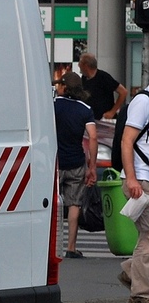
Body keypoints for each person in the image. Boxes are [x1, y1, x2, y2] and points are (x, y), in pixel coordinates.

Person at [53, 71, 96, 259]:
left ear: (64, 86)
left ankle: (50, 248)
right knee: (74, 204)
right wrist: (92, 166)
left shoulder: (53, 105)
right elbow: (93, 137)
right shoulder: (85, 109)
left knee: (52, 204)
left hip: (54, 162)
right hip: (76, 163)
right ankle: (71, 247)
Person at [120, 88, 149, 303]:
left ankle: (131, 270)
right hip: (140, 178)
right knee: (148, 235)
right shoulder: (143, 101)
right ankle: (141, 294)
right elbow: (127, 141)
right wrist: (131, 179)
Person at [77, 52, 127, 121]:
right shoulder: (84, 78)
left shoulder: (103, 77)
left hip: (104, 119)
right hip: (91, 118)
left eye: (80, 63)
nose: (78, 65)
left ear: (86, 65)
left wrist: (112, 112)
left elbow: (123, 92)